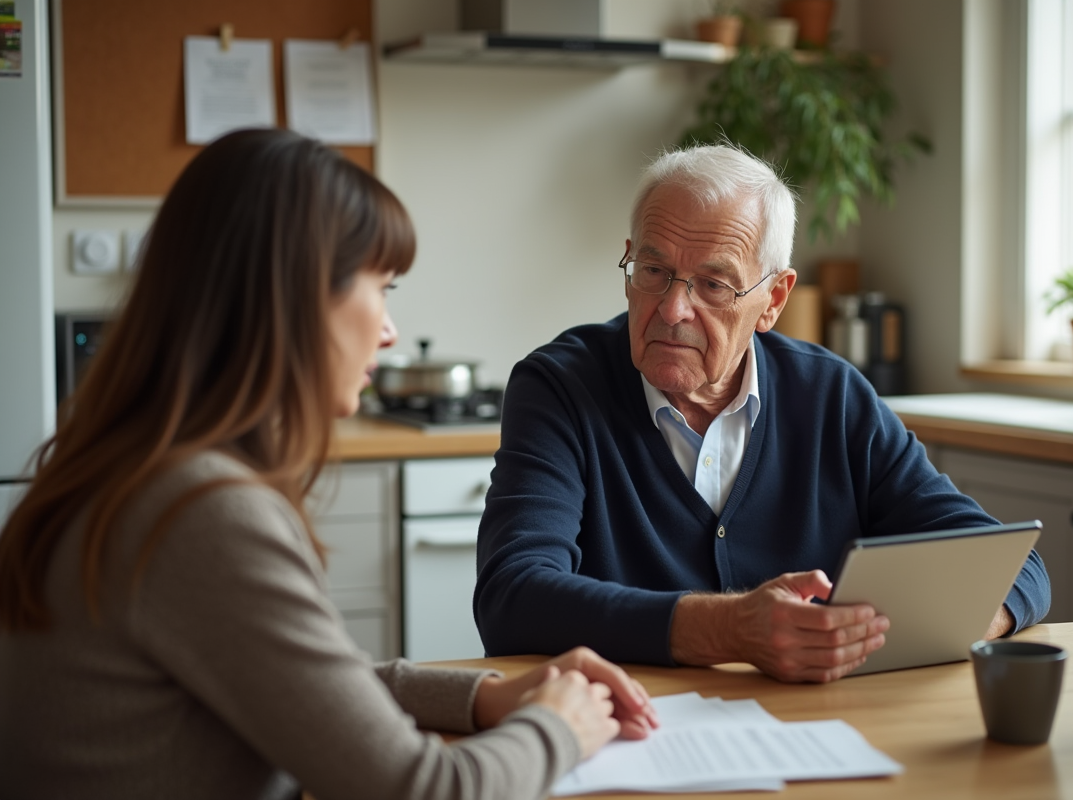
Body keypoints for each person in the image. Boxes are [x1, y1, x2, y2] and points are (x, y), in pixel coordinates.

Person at [0, 128, 656, 800]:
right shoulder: (199, 513)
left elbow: (304, 685)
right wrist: (559, 727)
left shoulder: (128, 472)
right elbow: (424, 790)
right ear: (296, 295)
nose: (390, 329)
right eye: (383, 286)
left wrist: (487, 696)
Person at [474, 144, 1051, 684]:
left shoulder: (832, 395)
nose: (673, 309)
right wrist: (731, 628)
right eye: (652, 272)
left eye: (714, 284)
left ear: (773, 301)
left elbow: (1011, 563)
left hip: (811, 737)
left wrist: (972, 619)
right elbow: (513, 598)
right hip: (627, 733)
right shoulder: (559, 386)